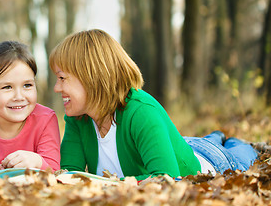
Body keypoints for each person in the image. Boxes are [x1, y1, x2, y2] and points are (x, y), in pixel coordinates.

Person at [49, 29, 257, 181]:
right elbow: (69, 176)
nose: (57, 88)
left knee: (244, 151)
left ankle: (228, 140)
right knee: (204, 140)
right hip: (183, 145)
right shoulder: (78, 116)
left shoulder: (140, 112)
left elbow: (167, 179)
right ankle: (215, 137)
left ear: (90, 77)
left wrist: (107, 185)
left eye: (62, 78)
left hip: (211, 162)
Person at [0, 41, 61, 178]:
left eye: (27, 85)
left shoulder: (46, 119)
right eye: (7, 87)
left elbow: (55, 171)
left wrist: (37, 162)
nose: (19, 97)